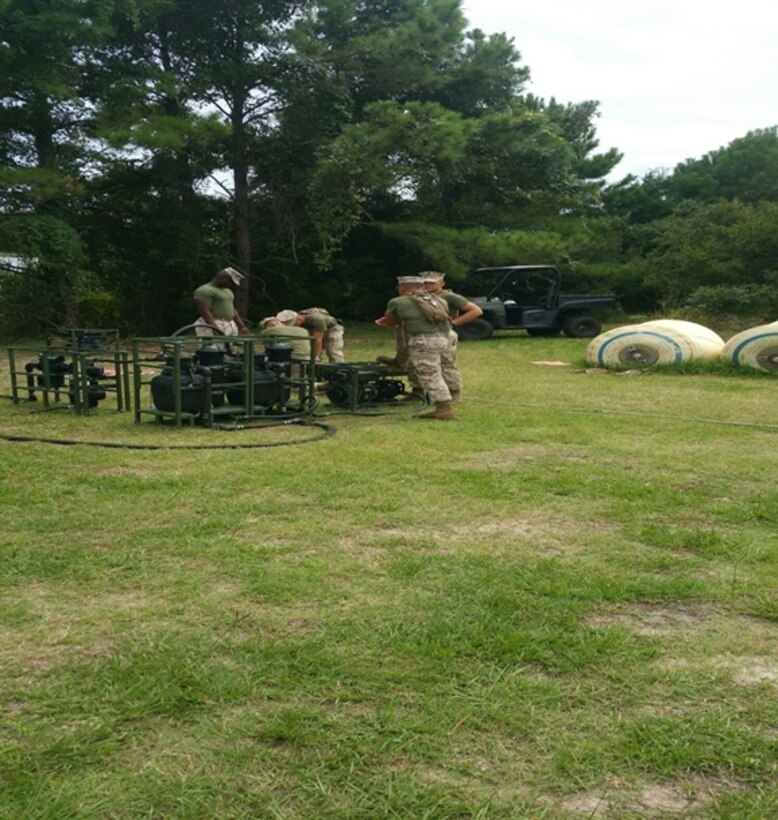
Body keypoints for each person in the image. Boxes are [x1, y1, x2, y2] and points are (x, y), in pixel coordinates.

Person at [376, 275, 462, 420]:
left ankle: (443, 409)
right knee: (446, 367)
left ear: (403, 288)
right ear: (421, 287)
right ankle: (454, 394)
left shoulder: (397, 302)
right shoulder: (439, 300)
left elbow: (390, 320)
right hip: (446, 338)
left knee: (429, 373)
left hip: (424, 340)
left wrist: (385, 321)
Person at [420, 271, 482, 401]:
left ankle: (454, 393)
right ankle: (421, 391)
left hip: (444, 334)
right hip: (425, 334)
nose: (427, 285)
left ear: (441, 283)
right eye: (425, 282)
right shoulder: (420, 297)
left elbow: (476, 310)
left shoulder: (450, 297)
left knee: (447, 364)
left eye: (432, 283)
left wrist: (454, 323)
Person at [193, 267, 249, 337]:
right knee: (214, 347)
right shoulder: (205, 290)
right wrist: (215, 328)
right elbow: (205, 311)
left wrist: (241, 326)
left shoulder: (228, 291)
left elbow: (232, 309)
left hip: (229, 324)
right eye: (231, 282)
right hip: (214, 323)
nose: (231, 285)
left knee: (229, 347)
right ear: (224, 278)